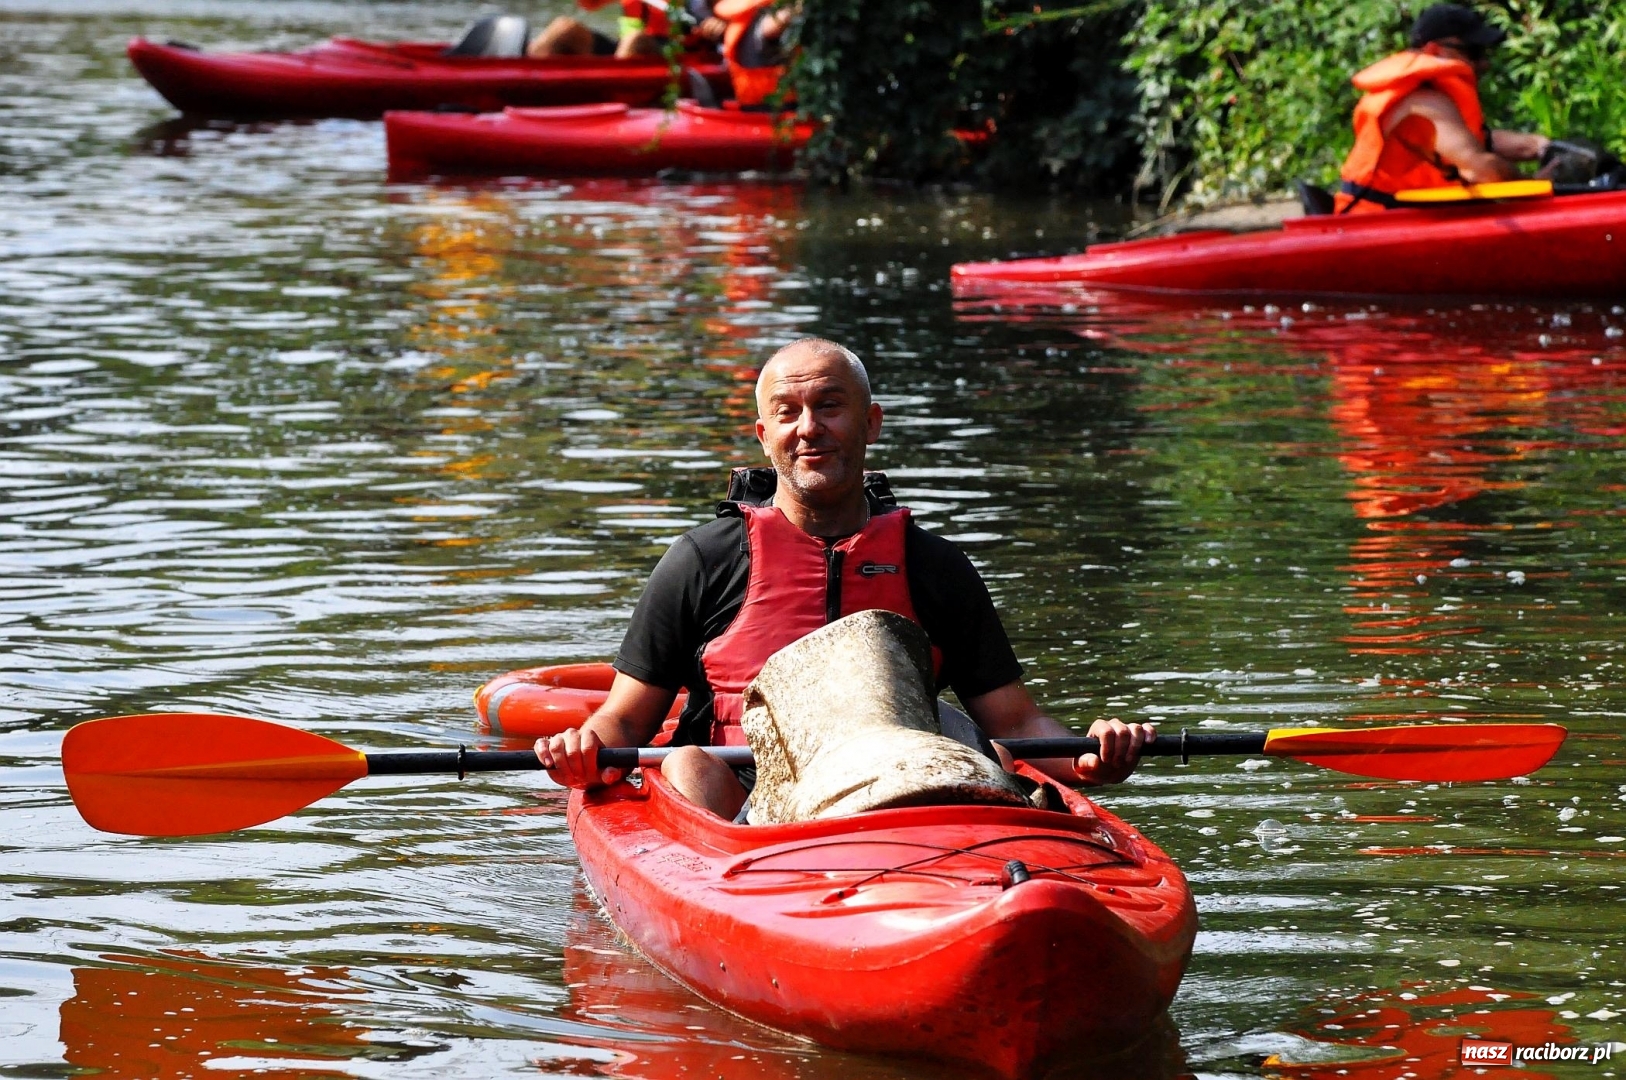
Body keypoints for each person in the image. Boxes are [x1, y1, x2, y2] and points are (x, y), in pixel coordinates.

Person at [536, 337, 1155, 819]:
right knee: (689, 765)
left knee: (989, 757)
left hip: (907, 788)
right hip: (745, 799)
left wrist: (1089, 755)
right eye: (788, 412)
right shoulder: (702, 561)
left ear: (871, 424)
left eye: (830, 406)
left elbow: (1018, 726)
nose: (809, 428)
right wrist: (580, 752)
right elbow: (623, 724)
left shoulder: (934, 566)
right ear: (764, 434)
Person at [1334, 3, 1551, 213]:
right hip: (1377, 227)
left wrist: (1540, 146)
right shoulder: (1420, 103)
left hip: (1401, 221)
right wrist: (1537, 185)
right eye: (1473, 52)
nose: (1484, 63)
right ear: (1434, 50)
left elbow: (1478, 141)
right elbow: (1480, 170)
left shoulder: (1425, 95)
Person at [528, 0, 726, 60]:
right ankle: (524, 95)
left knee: (634, 40)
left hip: (683, 56)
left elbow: (731, 14)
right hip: (626, 53)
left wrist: (717, 24)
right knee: (564, 29)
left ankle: (611, 108)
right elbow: (588, 4)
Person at [714, 0, 797, 108]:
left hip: (750, 104)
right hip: (778, 109)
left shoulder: (740, 16)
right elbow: (775, 24)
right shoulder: (768, 18)